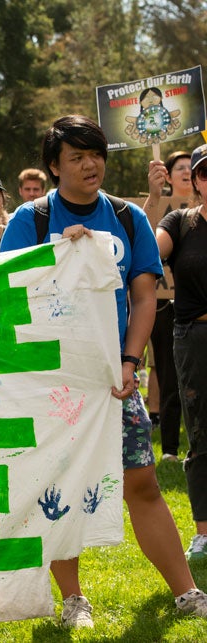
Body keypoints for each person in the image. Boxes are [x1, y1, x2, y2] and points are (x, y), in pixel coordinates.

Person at [0, 114, 207, 627]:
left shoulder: (128, 217)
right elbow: (6, 292)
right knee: (58, 487)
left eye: (95, 154)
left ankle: (187, 592)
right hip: (50, 380)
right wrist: (54, 255)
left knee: (142, 482)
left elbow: (143, 296)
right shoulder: (32, 218)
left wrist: (131, 360)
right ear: (55, 166)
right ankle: (74, 600)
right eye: (77, 156)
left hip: (113, 378)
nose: (90, 164)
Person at [156, 143, 207, 562]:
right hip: (194, 338)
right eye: (203, 173)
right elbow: (149, 253)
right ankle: (205, 532)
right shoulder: (180, 222)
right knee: (202, 435)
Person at [145, 150, 193, 463]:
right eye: (182, 168)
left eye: (195, 169)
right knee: (169, 374)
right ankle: (172, 449)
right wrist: (152, 195)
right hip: (168, 310)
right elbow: (147, 247)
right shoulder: (171, 217)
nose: (188, 173)